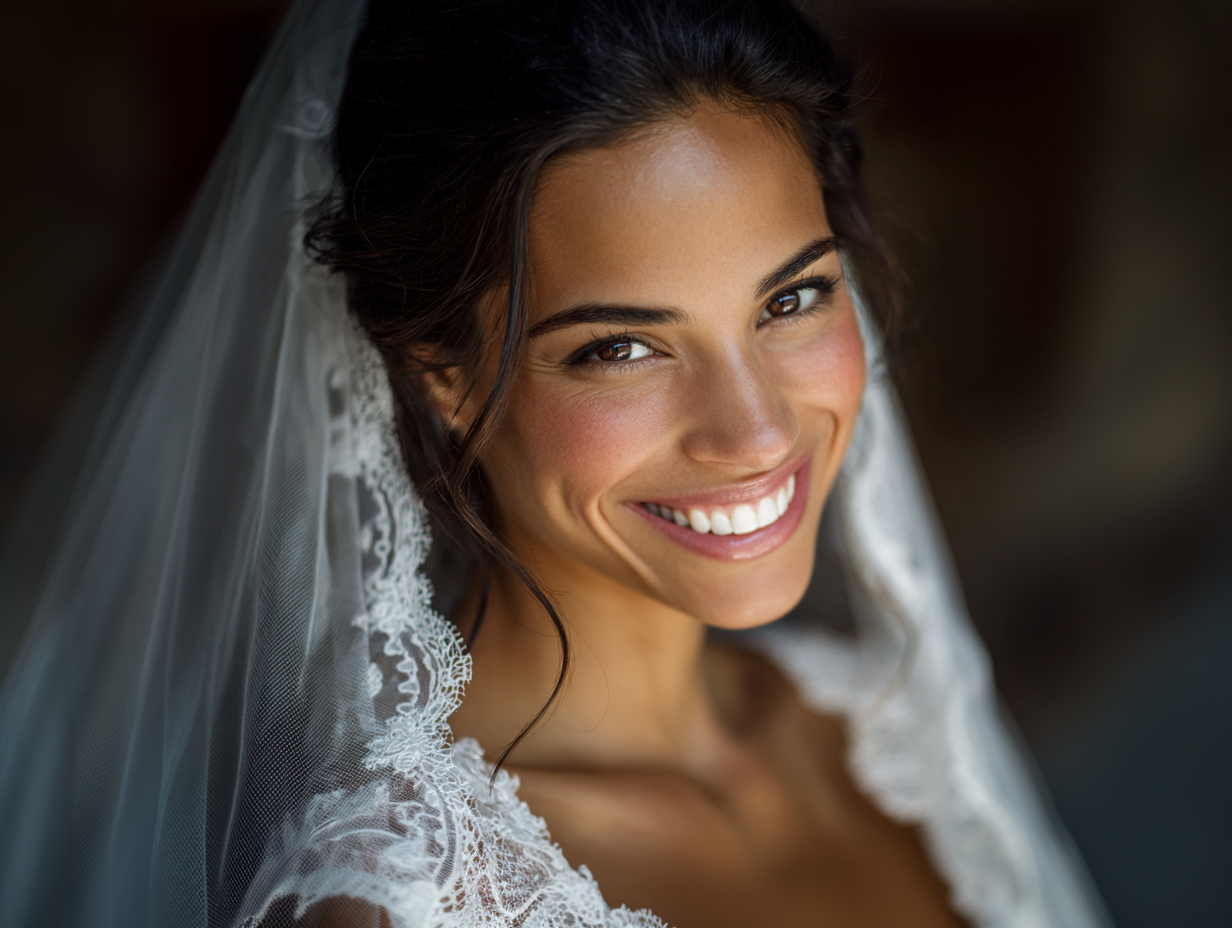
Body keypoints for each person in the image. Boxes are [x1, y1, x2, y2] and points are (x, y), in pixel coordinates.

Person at [0, 0, 1111, 926]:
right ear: (443, 371)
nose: (755, 430)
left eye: (791, 297)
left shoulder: (882, 726)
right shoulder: (410, 900)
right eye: (619, 347)